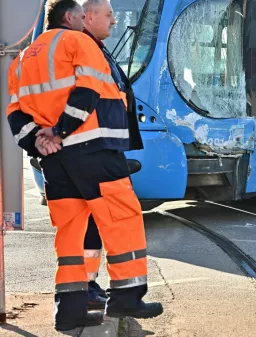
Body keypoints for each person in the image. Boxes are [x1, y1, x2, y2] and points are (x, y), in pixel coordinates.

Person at [5, 0, 162, 331]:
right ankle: (127, 297)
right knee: (122, 219)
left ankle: (70, 311)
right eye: (82, 16)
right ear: (70, 17)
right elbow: (88, 92)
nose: (87, 21)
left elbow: (15, 114)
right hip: (94, 150)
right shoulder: (79, 42)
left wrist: (40, 141)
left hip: (54, 161)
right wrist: (60, 131)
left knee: (70, 235)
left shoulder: (21, 60)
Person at [79, 0, 145, 310]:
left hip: (102, 147)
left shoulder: (96, 48)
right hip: (95, 150)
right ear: (88, 17)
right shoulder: (85, 48)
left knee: (96, 222)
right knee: (115, 220)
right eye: (109, 15)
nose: (114, 21)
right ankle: (116, 294)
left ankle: (89, 287)